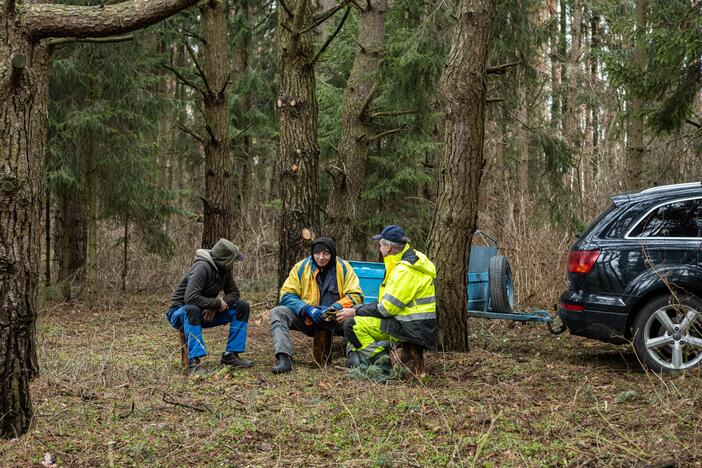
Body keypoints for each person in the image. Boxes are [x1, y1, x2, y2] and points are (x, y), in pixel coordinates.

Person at [336, 225, 437, 367]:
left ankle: (383, 365)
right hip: (414, 324)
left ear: (388, 247)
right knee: (359, 312)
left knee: (352, 325)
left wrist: (355, 311)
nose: (379, 248)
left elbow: (386, 309)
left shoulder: (404, 270)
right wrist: (361, 308)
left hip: (410, 328)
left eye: (380, 245)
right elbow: (387, 303)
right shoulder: (411, 260)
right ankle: (379, 360)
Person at [270, 237, 364, 374]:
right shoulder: (301, 267)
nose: (321, 257)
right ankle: (284, 358)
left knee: (354, 315)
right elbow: (286, 295)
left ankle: (353, 357)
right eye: (317, 253)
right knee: (278, 312)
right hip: (308, 318)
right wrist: (306, 309)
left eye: (326, 253)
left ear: (332, 254)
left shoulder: (344, 268)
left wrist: (335, 307)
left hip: (336, 319)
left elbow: (356, 295)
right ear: (312, 253)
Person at [166, 238, 253, 376]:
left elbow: (234, 292)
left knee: (241, 307)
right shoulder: (202, 267)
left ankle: (231, 355)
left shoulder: (224, 269)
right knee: (192, 309)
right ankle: (193, 362)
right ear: (225, 258)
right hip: (180, 313)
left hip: (204, 312)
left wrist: (214, 307)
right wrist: (216, 303)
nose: (234, 263)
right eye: (233, 259)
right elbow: (191, 298)